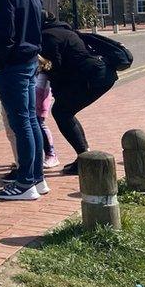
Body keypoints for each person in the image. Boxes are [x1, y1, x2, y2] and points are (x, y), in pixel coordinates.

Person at [0, 0, 47, 200]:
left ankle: (24, 183)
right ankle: (37, 178)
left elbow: (4, 34)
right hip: (30, 62)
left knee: (21, 124)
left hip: (12, 67)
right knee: (31, 121)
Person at [40, 10, 118, 175]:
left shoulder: (48, 37)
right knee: (64, 111)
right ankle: (84, 155)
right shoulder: (63, 30)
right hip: (100, 74)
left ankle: (84, 156)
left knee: (62, 112)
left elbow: (55, 66)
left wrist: (39, 65)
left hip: (94, 77)